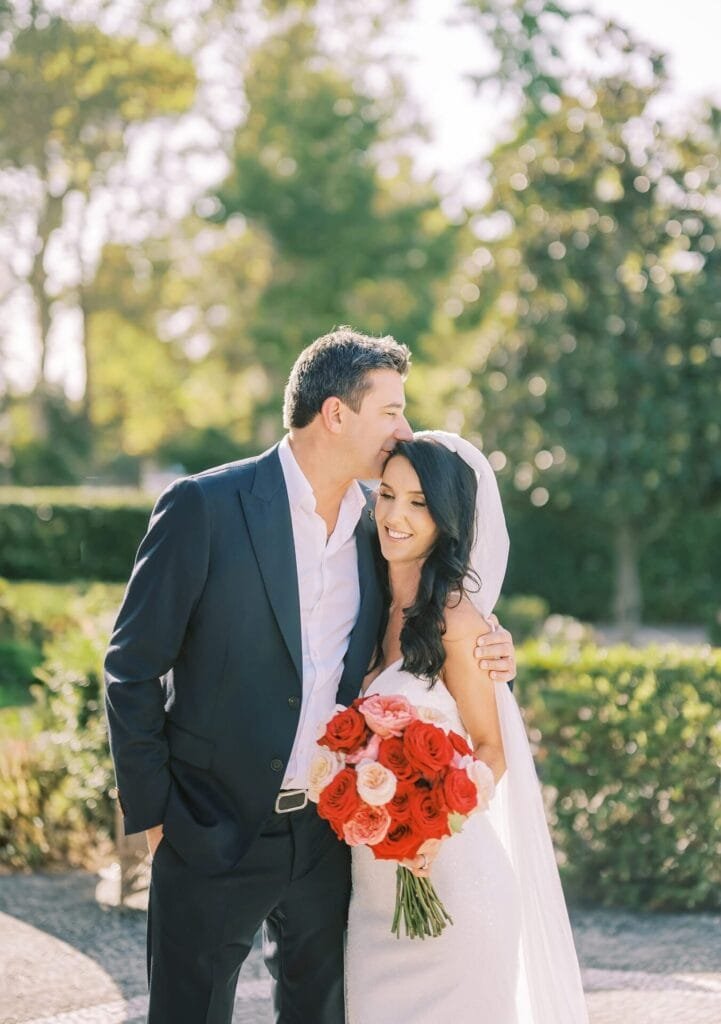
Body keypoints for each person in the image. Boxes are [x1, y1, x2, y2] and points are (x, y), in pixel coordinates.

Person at [104, 328, 517, 1024]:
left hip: (330, 839)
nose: (403, 428)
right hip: (210, 829)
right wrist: (157, 817)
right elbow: (131, 668)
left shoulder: (376, 529)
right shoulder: (206, 507)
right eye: (390, 410)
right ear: (335, 413)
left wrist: (495, 644)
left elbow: (427, 629)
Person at [346, 433, 588, 1024]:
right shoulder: (366, 603)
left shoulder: (457, 619)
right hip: (373, 901)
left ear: (447, 521)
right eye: (387, 495)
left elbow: (491, 751)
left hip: (455, 887)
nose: (395, 515)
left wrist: (430, 828)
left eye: (419, 503)